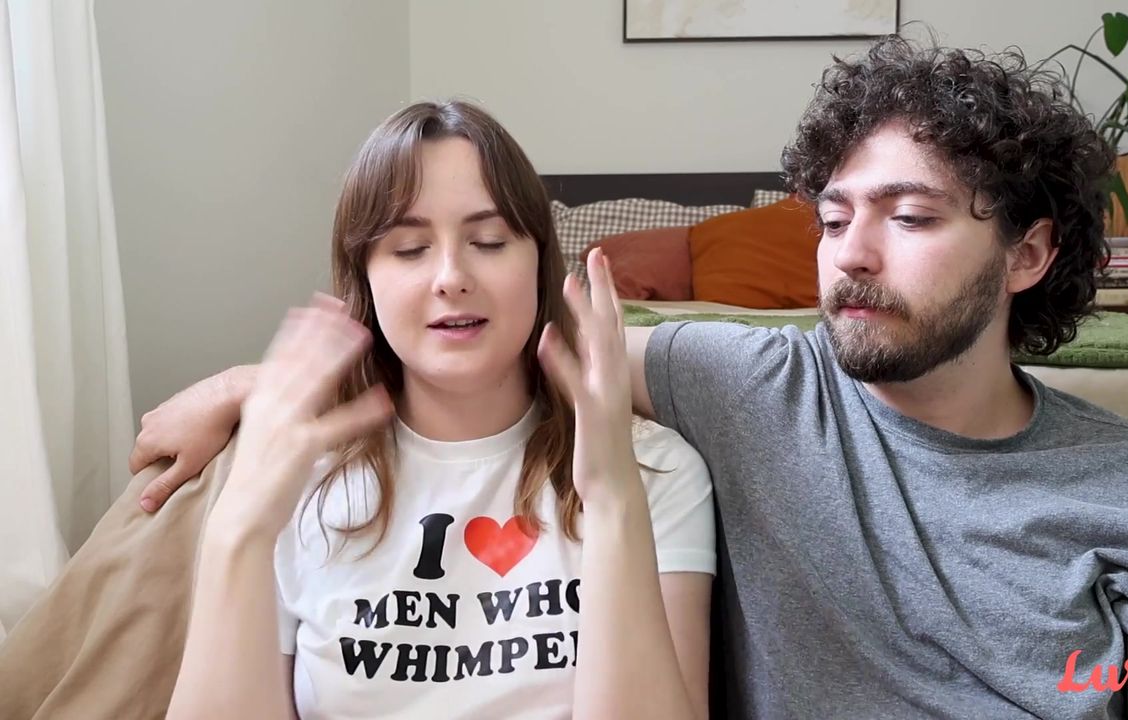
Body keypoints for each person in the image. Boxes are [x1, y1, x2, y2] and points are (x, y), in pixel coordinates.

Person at [136, 39, 1128, 718]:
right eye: (832, 218)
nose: (853, 255)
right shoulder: (748, 383)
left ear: (1028, 253)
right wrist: (241, 392)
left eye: (912, 217)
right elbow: (487, 347)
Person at [163, 101, 716, 719]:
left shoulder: (654, 471)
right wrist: (237, 529)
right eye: (409, 249)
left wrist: (613, 501)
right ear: (365, 277)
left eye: (488, 241)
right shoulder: (295, 476)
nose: (451, 277)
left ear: (539, 262)